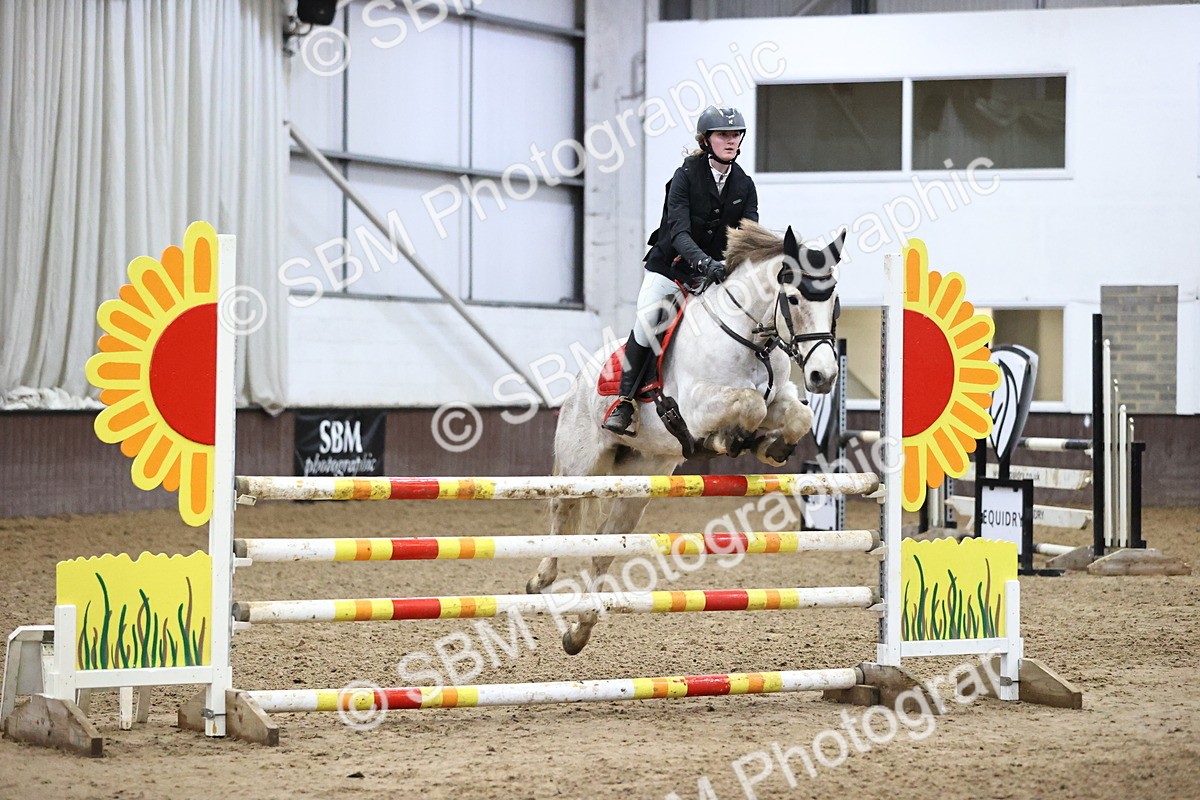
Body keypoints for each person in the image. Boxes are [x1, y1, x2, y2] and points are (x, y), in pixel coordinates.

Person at [601, 105, 759, 436]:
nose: (731, 141)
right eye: (723, 135)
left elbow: (748, 234)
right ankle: (625, 401)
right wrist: (707, 263)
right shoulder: (684, 178)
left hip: (713, 276)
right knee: (648, 323)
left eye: (735, 135)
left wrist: (738, 269)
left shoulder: (744, 184)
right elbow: (680, 233)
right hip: (670, 269)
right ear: (707, 140)